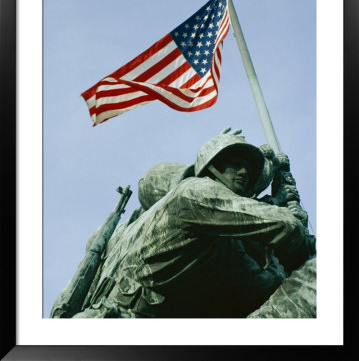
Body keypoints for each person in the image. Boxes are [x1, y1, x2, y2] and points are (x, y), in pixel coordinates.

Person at [73, 129, 316, 318]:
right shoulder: (195, 192)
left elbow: (259, 286)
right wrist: (293, 224)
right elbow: (286, 227)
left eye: (248, 168)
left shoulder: (224, 242)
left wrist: (277, 211)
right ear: (212, 166)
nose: (243, 171)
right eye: (234, 163)